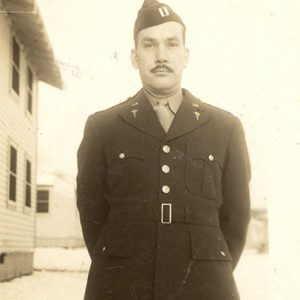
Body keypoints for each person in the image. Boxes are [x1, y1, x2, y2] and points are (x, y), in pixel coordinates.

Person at [77, 0, 251, 299]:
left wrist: (210, 264)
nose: (161, 56)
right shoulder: (103, 127)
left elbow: (236, 218)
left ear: (186, 55)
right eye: (149, 45)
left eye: (171, 44)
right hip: (121, 284)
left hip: (204, 284)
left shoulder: (225, 127)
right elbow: (91, 212)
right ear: (134, 56)